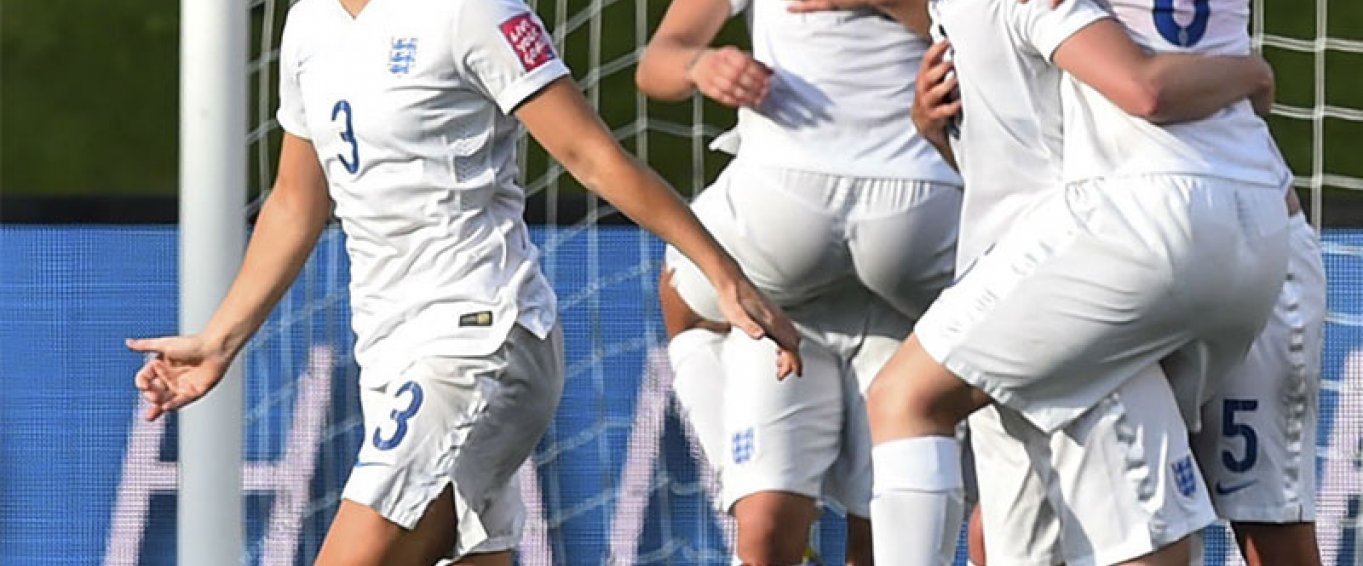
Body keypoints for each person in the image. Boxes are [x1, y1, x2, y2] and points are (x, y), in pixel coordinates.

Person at [124, 0, 804, 564]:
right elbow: (297, 201)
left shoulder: (472, 10)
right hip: (390, 350)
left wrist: (721, 270)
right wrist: (218, 340)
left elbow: (591, 156)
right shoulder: (308, 24)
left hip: (481, 335)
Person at [785, 0, 1289, 563]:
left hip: (1093, 258)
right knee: (1016, 545)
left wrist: (1255, 73)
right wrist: (934, 128)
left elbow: (1143, 89)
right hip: (1019, 287)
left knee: (906, 398)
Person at [908, 1, 1328, 562]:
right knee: (1023, 526)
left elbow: (1146, 89)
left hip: (1222, 237)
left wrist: (1251, 73)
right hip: (1121, 243)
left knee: (1262, 520)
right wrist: (948, 128)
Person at [635, 0, 962, 561]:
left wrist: (695, 65)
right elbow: (664, 63)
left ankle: (737, 477)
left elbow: (656, 62)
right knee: (881, 522)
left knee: (682, 291)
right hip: (920, 219)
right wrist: (700, 65)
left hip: (785, 215)